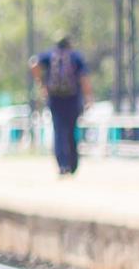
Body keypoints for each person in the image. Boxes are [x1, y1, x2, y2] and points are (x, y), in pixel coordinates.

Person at [30, 36, 92, 176]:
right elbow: (84, 79)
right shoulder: (75, 57)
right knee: (71, 131)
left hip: (55, 99)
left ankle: (62, 166)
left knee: (58, 132)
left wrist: (41, 84)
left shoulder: (49, 55)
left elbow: (33, 64)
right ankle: (73, 165)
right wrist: (88, 98)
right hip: (72, 99)